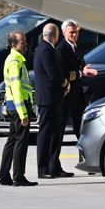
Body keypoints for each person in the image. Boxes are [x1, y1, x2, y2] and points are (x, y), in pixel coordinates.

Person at [0, 31, 37, 187]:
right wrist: (23, 114)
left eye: (25, 41)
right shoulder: (15, 62)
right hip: (18, 106)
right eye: (22, 42)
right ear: (14, 45)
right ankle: (18, 176)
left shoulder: (13, 59)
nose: (25, 44)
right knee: (21, 142)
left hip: (12, 105)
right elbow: (16, 89)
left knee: (12, 141)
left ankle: (4, 175)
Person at [33, 23, 70, 179]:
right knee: (45, 133)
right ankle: (43, 169)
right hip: (48, 98)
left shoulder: (46, 48)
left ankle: (53, 166)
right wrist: (66, 84)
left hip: (52, 97)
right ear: (55, 36)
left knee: (53, 133)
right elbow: (54, 74)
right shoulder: (46, 50)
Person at [59, 20, 98, 139]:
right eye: (71, 32)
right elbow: (63, 74)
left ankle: (84, 155)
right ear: (64, 32)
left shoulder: (76, 46)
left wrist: (84, 69)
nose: (75, 35)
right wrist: (82, 73)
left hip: (77, 94)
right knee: (59, 129)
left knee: (80, 128)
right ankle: (53, 158)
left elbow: (80, 65)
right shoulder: (61, 50)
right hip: (66, 95)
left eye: (76, 32)